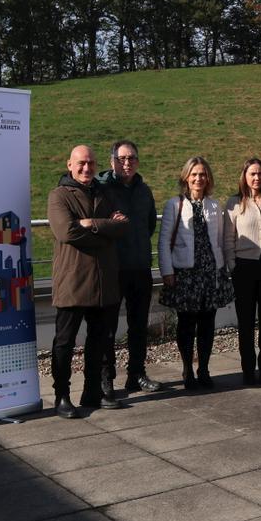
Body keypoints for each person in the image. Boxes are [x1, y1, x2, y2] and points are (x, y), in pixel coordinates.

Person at [47, 145, 128, 418]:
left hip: (103, 280)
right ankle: (62, 395)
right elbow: (67, 232)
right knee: (65, 342)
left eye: (91, 163)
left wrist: (90, 223)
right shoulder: (59, 196)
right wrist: (105, 231)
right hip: (73, 281)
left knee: (99, 339)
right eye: (81, 163)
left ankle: (92, 391)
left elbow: (122, 226)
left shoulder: (105, 193)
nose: (87, 168)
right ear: (69, 164)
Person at [158, 156, 234, 390]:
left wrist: (223, 267)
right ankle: (187, 369)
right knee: (186, 323)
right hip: (186, 274)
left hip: (210, 272)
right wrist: (167, 271)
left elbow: (219, 240)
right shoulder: (174, 205)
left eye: (202, 174)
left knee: (207, 322)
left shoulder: (214, 205)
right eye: (194, 175)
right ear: (186, 178)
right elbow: (164, 241)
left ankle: (204, 369)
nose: (198, 178)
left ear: (207, 178)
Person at [97, 140, 163, 395]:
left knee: (138, 325)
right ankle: (106, 378)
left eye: (132, 158)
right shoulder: (102, 189)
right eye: (122, 158)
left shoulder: (144, 190)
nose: (127, 163)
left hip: (140, 266)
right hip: (113, 268)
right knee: (108, 327)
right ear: (112, 161)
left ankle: (136, 374)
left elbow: (149, 225)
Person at [223, 158, 261, 385]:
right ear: (244, 176)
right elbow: (228, 238)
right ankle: (247, 369)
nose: (257, 178)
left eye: (260, 174)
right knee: (246, 323)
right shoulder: (235, 203)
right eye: (252, 174)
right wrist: (232, 265)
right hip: (244, 267)